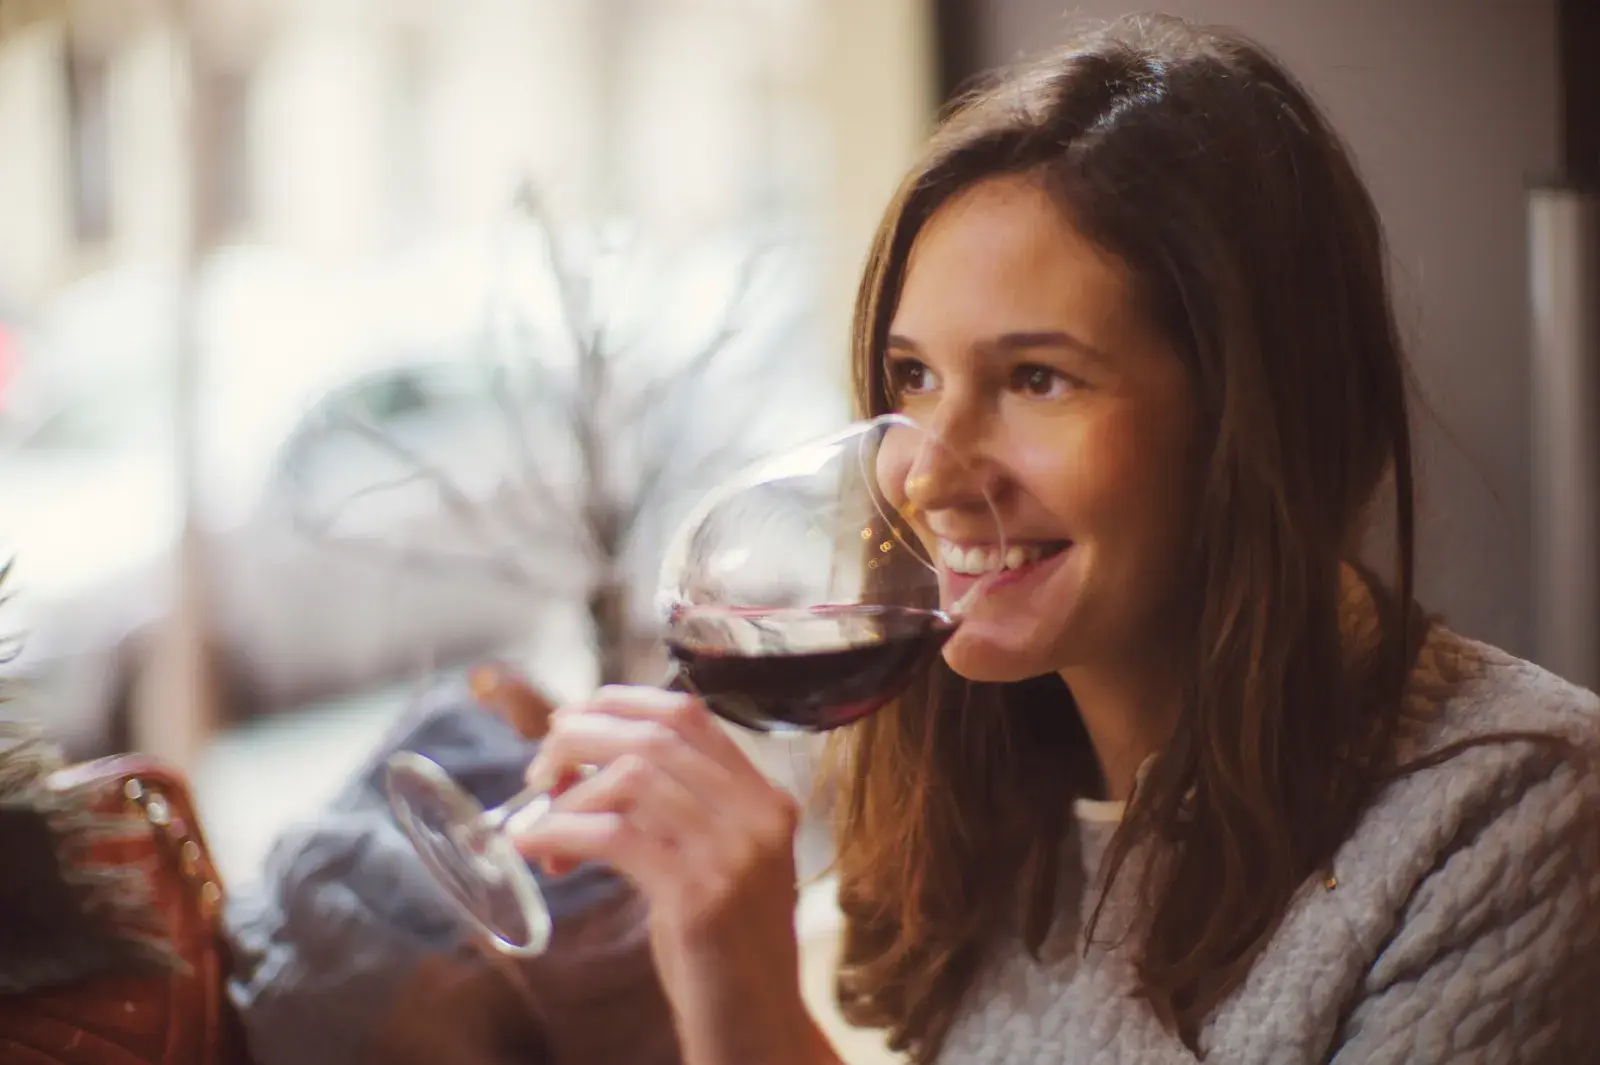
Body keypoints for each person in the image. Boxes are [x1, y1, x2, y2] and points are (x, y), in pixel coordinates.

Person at [511, 13, 1600, 1065]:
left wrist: (747, 1014)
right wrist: (713, 966)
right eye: (913, 377)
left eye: (1037, 379)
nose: (929, 473)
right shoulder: (971, 799)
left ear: (1250, 419)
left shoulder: (1515, 813)